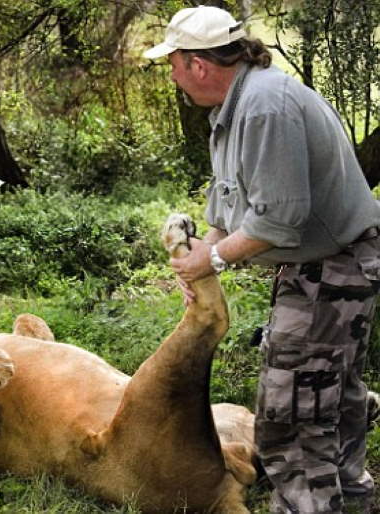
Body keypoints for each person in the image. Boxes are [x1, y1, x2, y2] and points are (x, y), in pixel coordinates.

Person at [142, 5, 380, 514]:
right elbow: (230, 208)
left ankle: (309, 504)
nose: (174, 76)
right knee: (330, 383)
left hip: (336, 264)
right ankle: (351, 488)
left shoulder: (266, 108)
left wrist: (213, 262)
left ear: (199, 65)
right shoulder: (235, 108)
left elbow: (278, 222)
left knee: (291, 407)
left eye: (174, 64)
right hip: (321, 262)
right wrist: (202, 255)